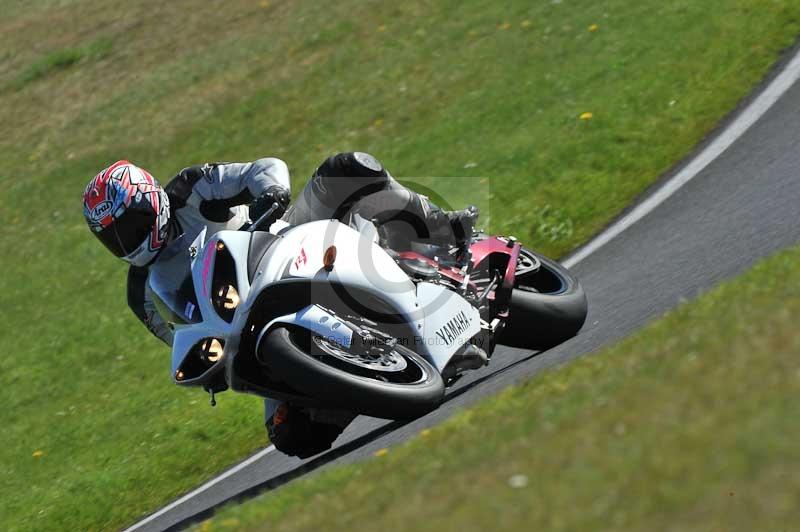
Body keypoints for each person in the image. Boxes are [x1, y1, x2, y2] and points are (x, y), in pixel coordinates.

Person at [83, 152, 477, 458]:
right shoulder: (141, 295)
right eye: (112, 238)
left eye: (131, 225)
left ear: (152, 201)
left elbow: (261, 169)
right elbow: (179, 339)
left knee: (347, 168)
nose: (127, 241)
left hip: (289, 244)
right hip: (248, 326)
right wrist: (210, 368)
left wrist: (270, 191)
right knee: (292, 437)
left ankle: (442, 231)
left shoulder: (191, 189)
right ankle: (358, 382)